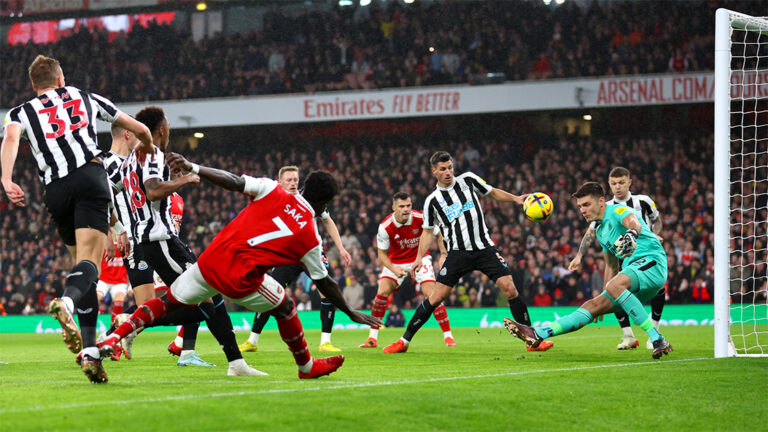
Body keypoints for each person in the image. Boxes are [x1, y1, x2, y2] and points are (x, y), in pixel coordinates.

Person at [99, 154, 382, 378]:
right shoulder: (311, 236)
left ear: (304, 186)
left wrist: (194, 167)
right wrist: (350, 311)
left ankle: (111, 339)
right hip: (240, 281)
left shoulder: (272, 188)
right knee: (286, 307)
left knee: (169, 300)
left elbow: (232, 180)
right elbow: (325, 282)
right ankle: (306, 367)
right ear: (324, 203)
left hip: (211, 261)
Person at [1, 55, 153, 383]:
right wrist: (152, 146)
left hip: (55, 190)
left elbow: (11, 139)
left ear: (33, 85)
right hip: (89, 178)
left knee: (82, 270)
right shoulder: (84, 96)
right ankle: (67, 304)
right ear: (60, 80)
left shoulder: (20, 112)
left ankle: (89, 352)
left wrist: (6, 178)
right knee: (90, 266)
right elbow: (137, 128)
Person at [382, 151, 551, 353]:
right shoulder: (432, 201)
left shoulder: (468, 180)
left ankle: (532, 340)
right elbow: (427, 233)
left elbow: (492, 192)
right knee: (435, 298)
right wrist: (419, 258)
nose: (448, 172)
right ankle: (404, 341)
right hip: (457, 254)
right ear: (433, 171)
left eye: (450, 167)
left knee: (510, 289)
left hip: (484, 248)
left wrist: (516, 199)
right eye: (443, 169)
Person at [116, 106, 243, 371]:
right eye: (168, 125)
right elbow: (152, 191)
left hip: (157, 241)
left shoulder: (130, 161)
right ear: (162, 129)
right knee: (206, 298)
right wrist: (185, 179)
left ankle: (233, 361)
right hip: (159, 240)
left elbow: (125, 190)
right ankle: (133, 323)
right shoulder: (151, 152)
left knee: (206, 297)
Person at [505, 182, 673, 360]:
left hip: (653, 263)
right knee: (592, 306)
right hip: (635, 274)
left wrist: (632, 232)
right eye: (579, 206)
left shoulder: (616, 210)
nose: (582, 210)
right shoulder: (600, 231)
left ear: (601, 201)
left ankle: (657, 338)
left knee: (614, 286)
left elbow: (632, 221)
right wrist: (605, 295)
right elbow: (610, 265)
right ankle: (539, 333)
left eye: (586, 205)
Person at [238, 165, 352, 354]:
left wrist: (340, 248)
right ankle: (252, 341)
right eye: (289, 180)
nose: (293, 183)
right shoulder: (273, 198)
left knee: (327, 291)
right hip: (287, 256)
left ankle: (325, 341)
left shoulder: (307, 199)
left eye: (296, 180)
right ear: (279, 182)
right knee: (269, 293)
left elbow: (327, 220)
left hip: (310, 253)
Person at [569, 167, 665, 350]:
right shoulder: (604, 207)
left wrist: (655, 234)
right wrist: (580, 255)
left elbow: (657, 220)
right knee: (613, 288)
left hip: (644, 249)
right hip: (623, 253)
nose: (617, 187)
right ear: (609, 186)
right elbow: (590, 232)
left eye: (621, 182)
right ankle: (627, 334)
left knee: (659, 286)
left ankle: (654, 328)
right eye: (613, 183)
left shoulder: (643, 201)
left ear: (629, 182)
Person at [359, 191, 456, 349]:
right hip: (396, 262)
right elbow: (381, 255)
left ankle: (448, 337)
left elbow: (439, 235)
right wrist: (393, 269)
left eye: (408, 205)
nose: (406, 209)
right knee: (381, 293)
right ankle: (372, 338)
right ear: (394, 208)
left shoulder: (421, 218)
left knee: (432, 295)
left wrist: (443, 254)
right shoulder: (385, 226)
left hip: (420, 258)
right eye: (401, 206)